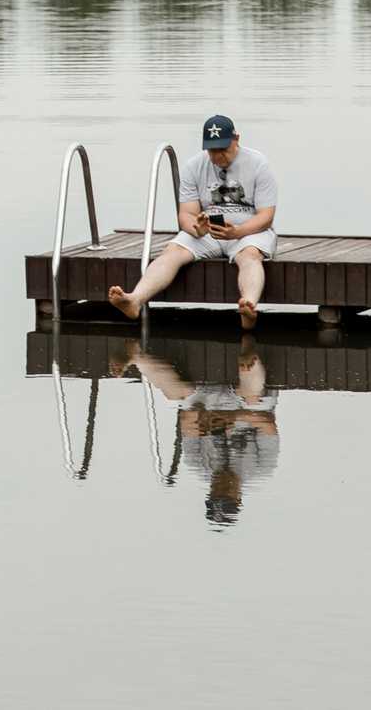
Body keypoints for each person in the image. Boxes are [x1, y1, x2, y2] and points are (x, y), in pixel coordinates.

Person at [108, 114, 279, 328]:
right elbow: (186, 214)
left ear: (236, 139)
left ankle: (249, 307)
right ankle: (135, 300)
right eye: (212, 150)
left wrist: (238, 232)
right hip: (208, 231)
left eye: (222, 149)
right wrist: (196, 229)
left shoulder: (258, 164)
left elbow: (266, 216)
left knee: (250, 255)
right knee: (172, 250)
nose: (217, 156)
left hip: (250, 231)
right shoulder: (193, 166)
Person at [115, 335, 280, 527]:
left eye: (215, 492)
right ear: (238, 498)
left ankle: (136, 356)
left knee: (175, 395)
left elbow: (185, 419)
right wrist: (234, 416)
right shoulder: (262, 468)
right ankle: (249, 353)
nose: (219, 486)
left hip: (207, 405)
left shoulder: (196, 464)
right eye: (225, 491)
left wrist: (200, 416)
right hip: (247, 407)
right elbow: (268, 423)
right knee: (252, 397)